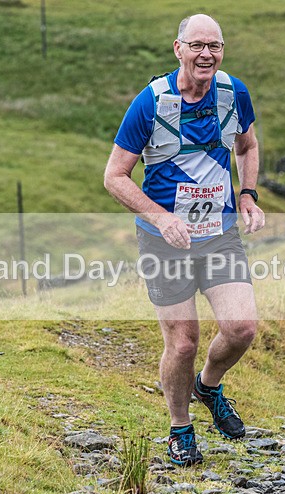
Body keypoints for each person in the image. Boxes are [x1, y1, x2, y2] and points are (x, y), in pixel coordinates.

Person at [104, 14, 264, 466]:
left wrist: (248, 195)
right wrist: (161, 218)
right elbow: (114, 176)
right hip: (164, 240)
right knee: (183, 341)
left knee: (241, 328)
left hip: (218, 233)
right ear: (178, 49)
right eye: (197, 45)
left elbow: (247, 147)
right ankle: (180, 429)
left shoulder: (233, 93)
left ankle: (207, 387)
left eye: (214, 46)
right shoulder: (151, 103)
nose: (206, 55)